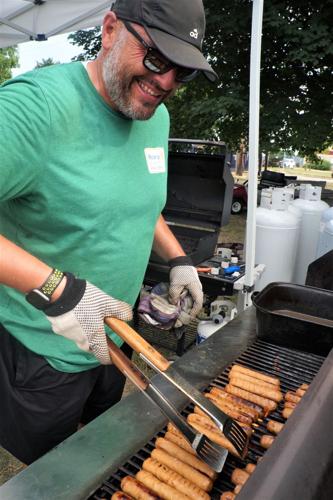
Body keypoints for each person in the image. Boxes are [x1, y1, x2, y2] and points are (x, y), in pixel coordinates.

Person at [0, 0, 217, 465]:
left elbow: (134, 201)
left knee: (98, 462)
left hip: (115, 340)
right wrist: (59, 289)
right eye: (157, 59)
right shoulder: (34, 108)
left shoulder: (154, 117)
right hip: (43, 353)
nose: (166, 83)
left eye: (183, 73)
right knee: (49, 477)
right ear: (110, 28)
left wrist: (178, 259)